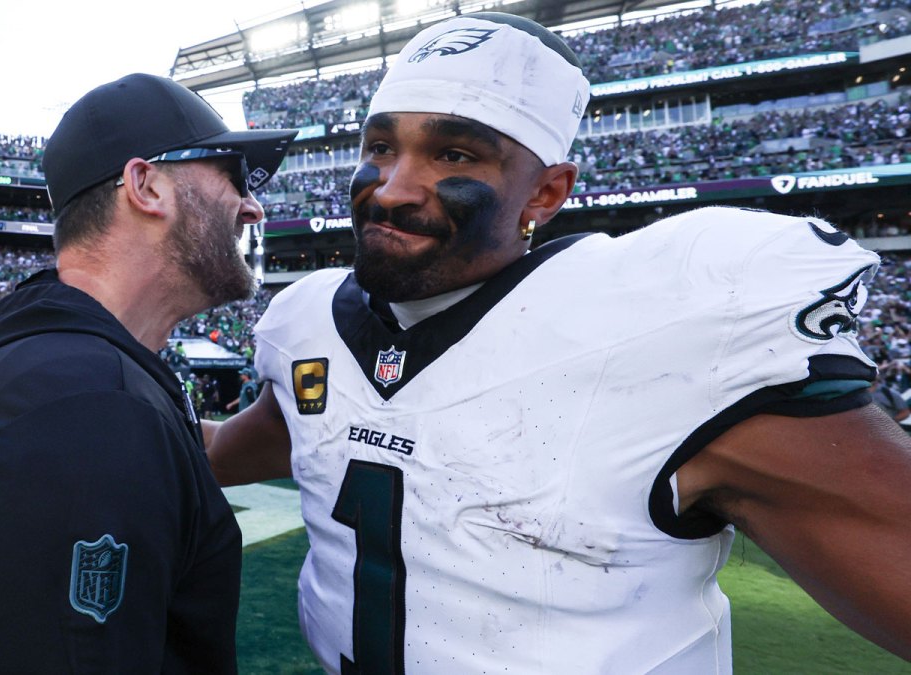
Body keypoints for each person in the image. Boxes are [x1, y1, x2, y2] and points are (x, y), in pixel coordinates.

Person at [206, 13, 911, 672]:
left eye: (453, 153)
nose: (391, 188)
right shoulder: (308, 323)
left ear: (545, 195)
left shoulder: (665, 329)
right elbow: (245, 446)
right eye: (381, 147)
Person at [0, 73, 296, 673]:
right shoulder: (82, 399)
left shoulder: (74, 367)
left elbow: (198, 458)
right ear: (146, 186)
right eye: (233, 176)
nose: (252, 205)